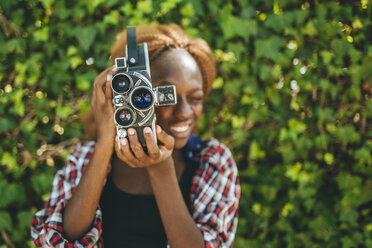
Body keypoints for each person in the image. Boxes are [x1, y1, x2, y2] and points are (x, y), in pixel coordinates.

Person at [31, 24, 240, 248]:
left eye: (196, 98)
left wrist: (161, 169)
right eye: (166, 96)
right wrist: (104, 145)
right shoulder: (85, 157)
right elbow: (58, 240)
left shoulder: (213, 160)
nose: (184, 112)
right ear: (128, 95)